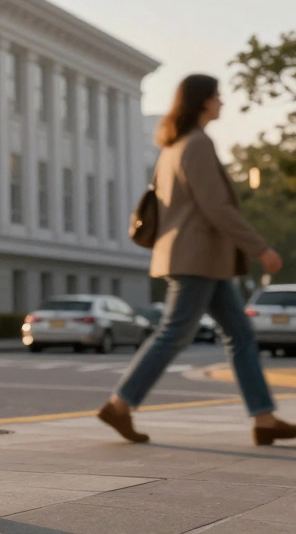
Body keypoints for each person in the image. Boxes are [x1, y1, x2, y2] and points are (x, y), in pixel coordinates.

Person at [97, 74, 293, 445]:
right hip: (196, 258)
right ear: (203, 101)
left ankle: (264, 419)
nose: (222, 102)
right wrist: (260, 248)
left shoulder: (173, 147)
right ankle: (120, 403)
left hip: (201, 259)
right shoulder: (197, 144)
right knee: (174, 333)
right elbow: (216, 207)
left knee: (240, 334)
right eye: (218, 96)